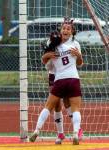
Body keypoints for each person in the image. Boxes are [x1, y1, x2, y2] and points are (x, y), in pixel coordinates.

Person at [29, 17, 83, 145]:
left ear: (72, 32)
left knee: (60, 104)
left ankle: (38, 130)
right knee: (58, 106)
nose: (65, 30)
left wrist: (78, 56)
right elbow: (46, 63)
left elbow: (79, 62)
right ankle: (63, 133)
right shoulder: (53, 42)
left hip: (60, 77)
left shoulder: (73, 44)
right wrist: (47, 56)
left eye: (68, 28)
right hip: (61, 76)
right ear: (60, 30)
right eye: (63, 28)